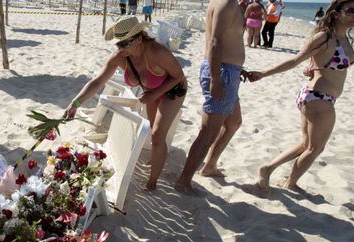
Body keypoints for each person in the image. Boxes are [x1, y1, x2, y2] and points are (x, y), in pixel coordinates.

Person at [248, 0, 354, 193]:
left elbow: (320, 61)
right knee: (315, 148)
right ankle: (291, 183)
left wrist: (312, 66)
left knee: (306, 144)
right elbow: (295, 60)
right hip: (318, 98)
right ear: (337, 12)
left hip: (320, 97)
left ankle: (267, 169)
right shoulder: (324, 37)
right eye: (351, 10)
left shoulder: (345, 38)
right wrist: (263, 74)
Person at [63, 17, 187, 190]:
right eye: (118, 44)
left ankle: (152, 183)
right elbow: (98, 82)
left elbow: (178, 76)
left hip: (173, 88)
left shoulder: (157, 51)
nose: (120, 49)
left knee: (158, 134)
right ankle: (158, 155)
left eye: (124, 44)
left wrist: (154, 95)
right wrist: (75, 103)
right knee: (154, 132)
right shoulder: (120, 57)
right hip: (152, 90)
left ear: (138, 39)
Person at [174, 0, 246, 194]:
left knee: (233, 122)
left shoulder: (229, 3)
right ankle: (184, 181)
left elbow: (229, 40)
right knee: (208, 132)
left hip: (229, 71)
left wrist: (237, 67)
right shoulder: (227, 3)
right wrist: (216, 78)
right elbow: (215, 41)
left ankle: (209, 165)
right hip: (222, 73)